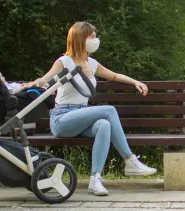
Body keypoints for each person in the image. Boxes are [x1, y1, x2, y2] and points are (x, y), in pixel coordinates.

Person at [24, 21, 156, 196]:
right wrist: (33, 83)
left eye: (95, 36)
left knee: (104, 125)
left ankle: (95, 180)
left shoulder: (92, 63)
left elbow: (114, 76)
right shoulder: (64, 61)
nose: (96, 40)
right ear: (80, 38)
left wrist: (135, 82)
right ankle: (129, 159)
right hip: (62, 118)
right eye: (92, 36)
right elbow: (45, 79)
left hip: (81, 117)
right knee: (109, 111)